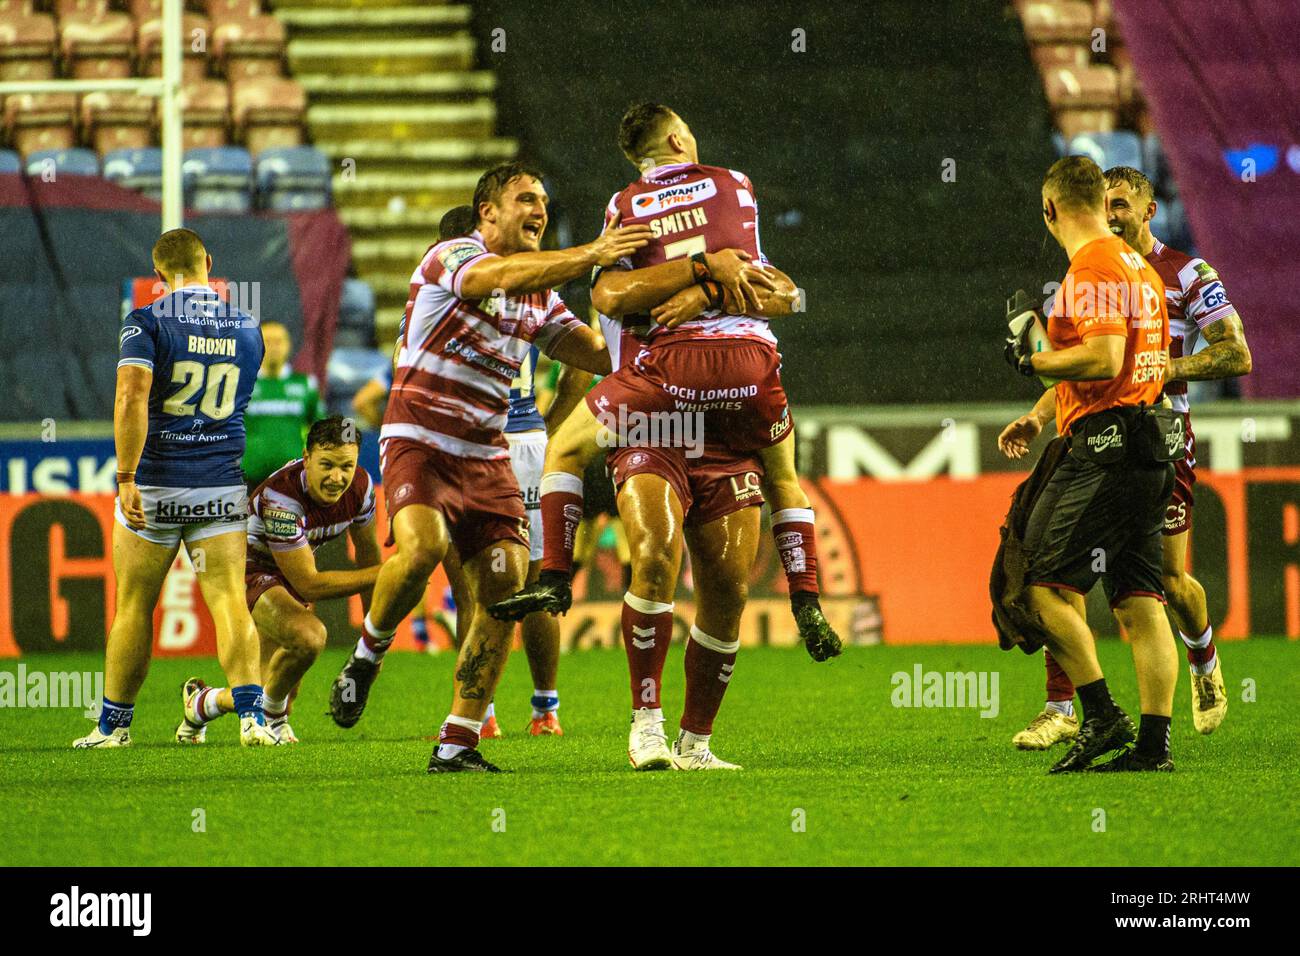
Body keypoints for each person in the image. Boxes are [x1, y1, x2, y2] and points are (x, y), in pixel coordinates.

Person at [328, 162, 652, 773]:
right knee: (421, 550)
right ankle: (367, 656)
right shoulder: (452, 255)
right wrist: (594, 252)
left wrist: (658, 319)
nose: (539, 208)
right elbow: (495, 277)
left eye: (545, 202)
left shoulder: (541, 295)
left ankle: (458, 742)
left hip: (487, 454)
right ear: (487, 213)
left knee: (505, 588)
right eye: (525, 198)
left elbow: (595, 353)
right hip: (419, 439)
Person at [491, 103, 842, 665]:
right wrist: (711, 271)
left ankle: (557, 579)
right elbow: (788, 297)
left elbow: (608, 296)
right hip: (749, 373)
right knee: (779, 483)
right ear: (679, 140)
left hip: (662, 389)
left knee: (581, 467)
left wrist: (698, 283)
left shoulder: (626, 206)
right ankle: (807, 600)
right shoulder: (735, 186)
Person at [1005, 165, 1251, 748]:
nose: (1112, 214)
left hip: (1151, 434)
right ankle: (1074, 710)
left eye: (1122, 204)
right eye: (1104, 202)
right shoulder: (1121, 269)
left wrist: (1167, 368)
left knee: (1155, 580)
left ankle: (1200, 660)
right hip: (1130, 432)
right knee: (1109, 586)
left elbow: (1234, 353)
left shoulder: (1180, 273)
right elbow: (1096, 359)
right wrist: (1042, 414)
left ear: (1148, 211)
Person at [1000, 155, 1182, 773]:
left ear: (1050, 209)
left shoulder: (1094, 265)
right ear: (1103, 204)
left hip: (1107, 451)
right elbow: (1125, 363)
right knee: (1139, 599)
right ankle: (1154, 747)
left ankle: (1100, 716)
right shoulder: (1140, 267)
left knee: (1040, 586)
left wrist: (1033, 359)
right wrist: (1040, 410)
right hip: (1151, 446)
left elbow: (1101, 359)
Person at [74, 228, 275, 748]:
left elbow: (130, 398)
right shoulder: (247, 326)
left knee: (136, 605)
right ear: (210, 261)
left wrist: (124, 476)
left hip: (159, 482)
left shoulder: (145, 323)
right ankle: (254, 720)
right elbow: (238, 403)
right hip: (220, 483)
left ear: (157, 272)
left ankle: (113, 728)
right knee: (230, 600)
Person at [176, 416, 382, 744]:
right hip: (246, 568)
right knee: (309, 637)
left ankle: (202, 703)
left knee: (265, 685)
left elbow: (371, 558)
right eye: (326, 465)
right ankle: (273, 718)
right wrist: (389, 574)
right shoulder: (282, 496)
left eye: (347, 465)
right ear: (306, 457)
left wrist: (374, 641)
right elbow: (309, 584)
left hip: (286, 572)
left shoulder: (361, 488)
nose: (336, 477)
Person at [242, 321, 325, 489]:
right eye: (268, 341)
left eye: (279, 341)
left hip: (292, 479)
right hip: (248, 480)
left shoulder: (305, 385)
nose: (273, 347)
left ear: (288, 345)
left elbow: (321, 429)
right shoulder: (240, 385)